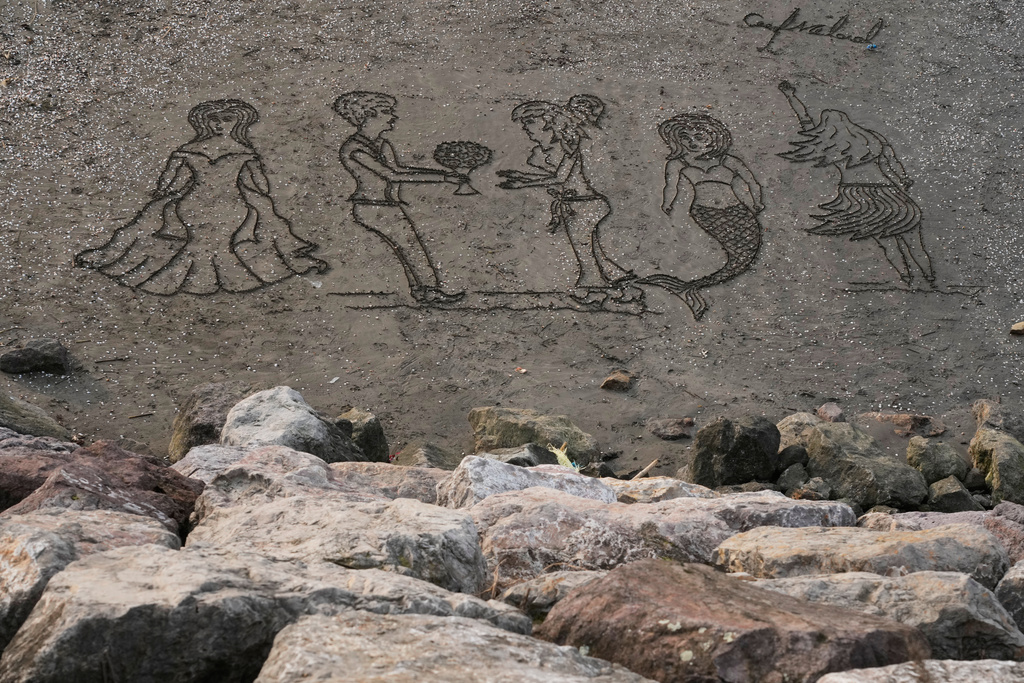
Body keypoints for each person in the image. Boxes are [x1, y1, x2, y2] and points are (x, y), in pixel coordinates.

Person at [75, 99, 326, 295]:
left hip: (225, 205)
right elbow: (259, 185)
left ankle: (195, 276)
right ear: (205, 123)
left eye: (225, 119)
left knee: (217, 242)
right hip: (204, 203)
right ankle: (225, 278)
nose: (219, 124)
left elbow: (167, 183)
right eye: (214, 120)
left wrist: (165, 195)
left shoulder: (220, 152)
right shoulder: (233, 153)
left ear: (236, 122)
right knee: (204, 241)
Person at [778, 81, 935, 286]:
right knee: (912, 238)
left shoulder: (826, 144)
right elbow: (891, 164)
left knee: (886, 240)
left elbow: (805, 120)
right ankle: (929, 278)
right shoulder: (873, 140)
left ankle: (906, 278)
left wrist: (791, 97)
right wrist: (902, 180)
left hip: (858, 198)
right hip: (888, 192)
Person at [333, 91, 467, 305]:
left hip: (386, 205)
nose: (392, 117)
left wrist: (440, 175)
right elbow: (391, 175)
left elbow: (398, 168)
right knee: (410, 246)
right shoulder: (354, 148)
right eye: (386, 112)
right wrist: (443, 178)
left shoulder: (382, 144)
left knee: (406, 247)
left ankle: (422, 291)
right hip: (372, 206)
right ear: (368, 115)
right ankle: (429, 290)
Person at [498, 97, 636, 306]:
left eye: (530, 124)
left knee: (584, 252)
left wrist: (520, 184)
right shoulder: (569, 147)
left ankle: (592, 289)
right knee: (594, 249)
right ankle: (618, 278)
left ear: (547, 123)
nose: (527, 130)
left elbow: (560, 178)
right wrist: (520, 177)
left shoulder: (572, 147)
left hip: (583, 204)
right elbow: (559, 176)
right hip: (583, 202)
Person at [641, 113, 764, 320]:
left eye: (700, 136)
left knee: (743, 254)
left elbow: (751, 181)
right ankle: (693, 287)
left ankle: (691, 288)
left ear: (714, 136)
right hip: (705, 212)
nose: (694, 143)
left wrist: (756, 202)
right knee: (730, 253)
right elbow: (670, 187)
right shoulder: (678, 163)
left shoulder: (727, 160)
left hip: (737, 211)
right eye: (687, 139)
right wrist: (666, 204)